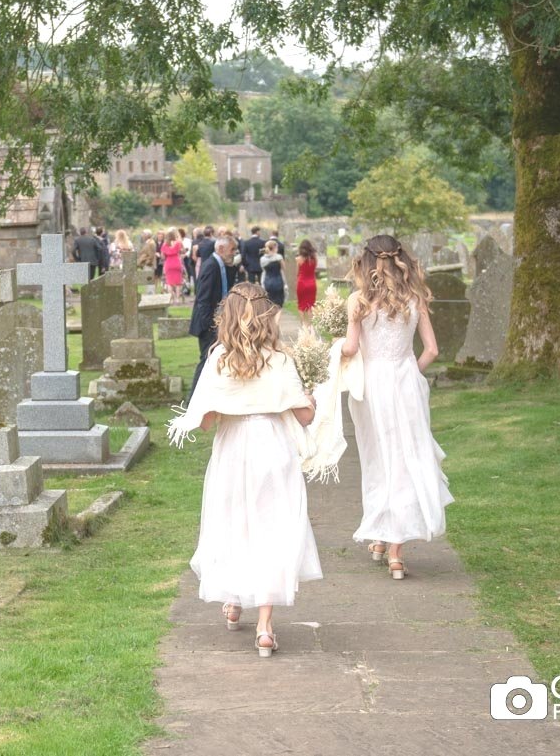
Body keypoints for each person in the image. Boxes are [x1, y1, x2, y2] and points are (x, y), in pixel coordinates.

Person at [169, 283, 322, 657]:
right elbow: (304, 415)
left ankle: (234, 600)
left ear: (228, 317)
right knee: (270, 527)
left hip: (234, 447)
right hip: (272, 447)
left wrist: (229, 402)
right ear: (267, 318)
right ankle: (265, 627)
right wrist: (311, 398)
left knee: (235, 521)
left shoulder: (218, 357)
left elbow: (204, 422)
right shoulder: (281, 359)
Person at [333, 235, 452, 580]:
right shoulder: (415, 298)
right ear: (401, 260)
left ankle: (385, 538)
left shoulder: (358, 301)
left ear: (367, 262)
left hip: (372, 387)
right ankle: (393, 549)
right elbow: (432, 350)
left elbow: (352, 349)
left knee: (378, 458)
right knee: (405, 458)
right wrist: (410, 375)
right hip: (406, 384)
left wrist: (332, 349)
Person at [187, 234, 234, 396]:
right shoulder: (211, 266)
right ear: (220, 249)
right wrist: (211, 325)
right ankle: (192, 401)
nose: (234, 253)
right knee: (206, 360)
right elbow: (203, 299)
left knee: (214, 360)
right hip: (207, 324)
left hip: (216, 322)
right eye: (231, 250)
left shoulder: (220, 264)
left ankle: (210, 396)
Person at [295, 238, 319, 320]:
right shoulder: (314, 259)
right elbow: (314, 269)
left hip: (302, 283)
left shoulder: (298, 259)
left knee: (301, 305)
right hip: (312, 283)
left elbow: (298, 272)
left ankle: (303, 325)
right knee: (310, 305)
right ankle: (310, 326)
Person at [161, 228, 186, 303]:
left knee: (169, 283)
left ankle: (171, 299)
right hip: (177, 262)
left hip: (168, 263)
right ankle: (177, 299)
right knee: (178, 283)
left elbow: (162, 256)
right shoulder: (178, 243)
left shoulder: (165, 245)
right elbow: (183, 251)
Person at [259, 239, 285, 307]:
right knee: (279, 301)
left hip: (267, 280)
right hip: (278, 281)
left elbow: (263, 269)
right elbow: (283, 268)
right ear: (274, 248)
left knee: (269, 301)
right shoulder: (278, 257)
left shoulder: (263, 259)